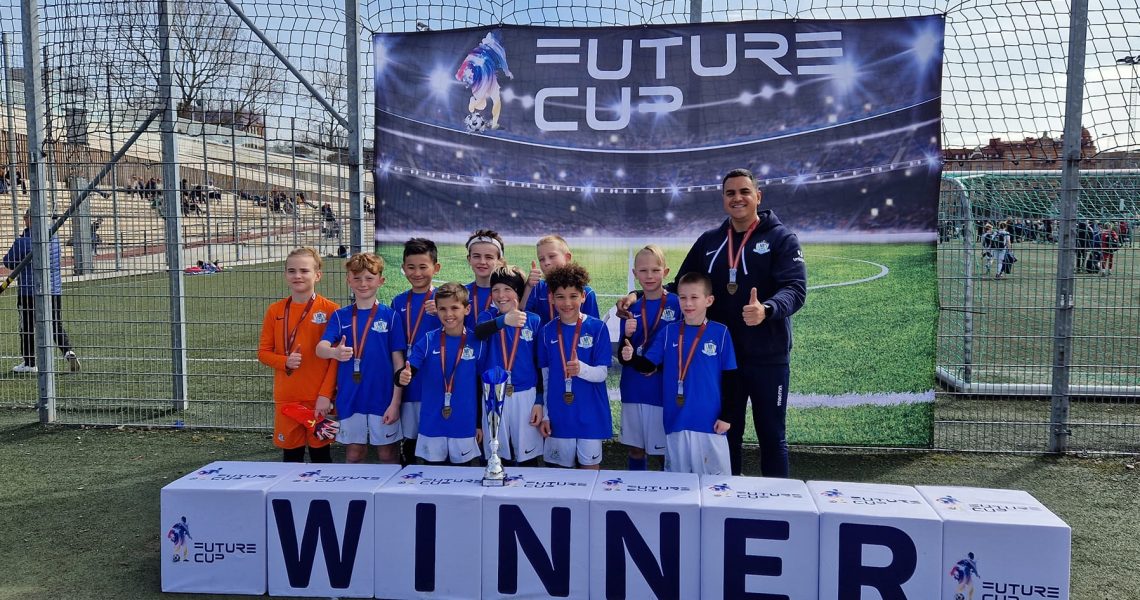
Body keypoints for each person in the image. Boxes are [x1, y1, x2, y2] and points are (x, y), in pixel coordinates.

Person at [618, 168, 806, 477]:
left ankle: (778, 500)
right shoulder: (710, 241)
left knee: (772, 436)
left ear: (758, 196)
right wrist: (637, 295)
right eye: (730, 193)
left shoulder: (781, 239)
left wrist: (767, 309)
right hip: (718, 359)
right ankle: (727, 496)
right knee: (726, 432)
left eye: (744, 192)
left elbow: (795, 289)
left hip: (767, 357)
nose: (737, 198)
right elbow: (679, 285)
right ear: (723, 199)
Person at [620, 272, 737, 475]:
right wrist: (629, 354)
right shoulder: (669, 332)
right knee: (678, 483)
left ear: (709, 300)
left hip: (710, 423)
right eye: (683, 297)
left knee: (715, 485)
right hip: (676, 421)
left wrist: (727, 416)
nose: (688, 303)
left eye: (694, 297)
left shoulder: (721, 333)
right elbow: (647, 366)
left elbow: (732, 379)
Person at [316, 253, 406, 464]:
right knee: (354, 453)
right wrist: (334, 353)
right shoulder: (340, 316)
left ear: (381, 281)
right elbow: (320, 348)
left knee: (387, 453)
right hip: (350, 397)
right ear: (348, 280)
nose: (363, 284)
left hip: (383, 398)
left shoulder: (390, 316)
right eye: (356, 278)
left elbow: (398, 363)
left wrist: (395, 403)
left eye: (369, 278)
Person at [257, 247, 339, 463]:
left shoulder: (332, 310)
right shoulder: (275, 311)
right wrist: (284, 361)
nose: (298, 276)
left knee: (321, 457)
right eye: (292, 271)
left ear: (317, 275)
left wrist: (326, 395)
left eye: (304, 270)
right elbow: (263, 353)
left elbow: (335, 360)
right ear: (285, 274)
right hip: (287, 398)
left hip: (318, 399)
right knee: (291, 458)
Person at [396, 282, 486, 466]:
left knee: (462, 475)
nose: (448, 314)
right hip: (432, 424)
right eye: (442, 309)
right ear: (436, 310)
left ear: (467, 309)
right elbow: (408, 370)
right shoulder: (429, 340)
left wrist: (478, 423)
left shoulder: (477, 342)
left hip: (464, 423)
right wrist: (402, 376)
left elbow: (481, 386)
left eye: (454, 308)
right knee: (433, 475)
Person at [537, 263, 612, 469]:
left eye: (573, 296)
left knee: (590, 473)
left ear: (583, 296)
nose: (567, 303)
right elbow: (545, 378)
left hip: (590, 414)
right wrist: (546, 415)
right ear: (551, 298)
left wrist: (581, 369)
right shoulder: (546, 331)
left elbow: (602, 373)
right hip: (559, 414)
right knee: (560, 477)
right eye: (560, 297)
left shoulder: (597, 328)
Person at [617, 245, 681, 470]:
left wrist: (659, 367)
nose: (649, 276)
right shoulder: (630, 306)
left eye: (655, 270)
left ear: (666, 272)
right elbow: (623, 354)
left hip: (662, 388)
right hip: (633, 387)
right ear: (635, 274)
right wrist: (627, 337)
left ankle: (669, 488)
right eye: (643, 271)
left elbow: (681, 348)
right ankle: (635, 489)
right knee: (636, 448)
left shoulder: (678, 303)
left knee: (663, 449)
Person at [473, 265, 545, 466]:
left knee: (527, 457)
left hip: (526, 395)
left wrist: (539, 400)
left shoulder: (533, 320)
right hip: (493, 394)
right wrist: (504, 320)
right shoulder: (488, 317)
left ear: (518, 292)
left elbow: (540, 364)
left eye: (507, 289)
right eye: (495, 289)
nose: (501, 295)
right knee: (495, 455)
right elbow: (479, 333)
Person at [2, 209, 81, 373]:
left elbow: (8, 262)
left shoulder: (23, 241)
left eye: (25, 217)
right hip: (53, 290)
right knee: (55, 323)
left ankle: (29, 362)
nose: (24, 220)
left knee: (27, 327)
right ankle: (68, 351)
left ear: (31, 219)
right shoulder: (54, 240)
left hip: (28, 291)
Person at [390, 238, 442, 465]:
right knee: (409, 439)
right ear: (403, 268)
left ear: (436, 268)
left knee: (434, 441)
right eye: (411, 267)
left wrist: (441, 313)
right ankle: (407, 480)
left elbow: (460, 332)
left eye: (423, 267)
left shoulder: (444, 301)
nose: (417, 273)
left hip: (435, 382)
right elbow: (396, 344)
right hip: (408, 380)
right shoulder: (398, 302)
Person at [523, 234, 601, 327]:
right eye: (541, 259)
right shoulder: (537, 288)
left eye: (552, 256)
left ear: (567, 258)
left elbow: (594, 327)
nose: (546, 262)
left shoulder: (586, 292)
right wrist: (528, 286)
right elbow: (522, 314)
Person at [464, 229, 505, 329]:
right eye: (476, 256)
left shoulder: (507, 295)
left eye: (489, 257)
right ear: (469, 259)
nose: (482, 262)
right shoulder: (461, 293)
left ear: (499, 261)